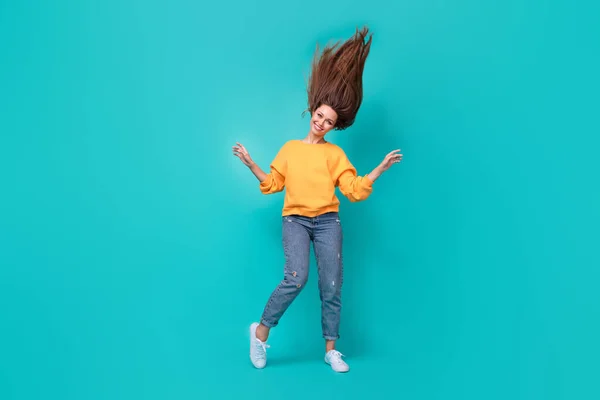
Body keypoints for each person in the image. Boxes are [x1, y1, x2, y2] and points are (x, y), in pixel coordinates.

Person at [232, 27, 402, 373]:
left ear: (335, 126)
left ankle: (331, 350)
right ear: (313, 109)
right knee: (296, 277)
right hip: (294, 219)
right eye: (320, 115)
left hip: (327, 222)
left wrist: (379, 169)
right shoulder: (291, 150)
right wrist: (251, 164)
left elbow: (353, 189)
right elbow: (274, 185)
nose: (321, 122)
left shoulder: (335, 154)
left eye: (329, 121)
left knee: (332, 284)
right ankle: (261, 332)